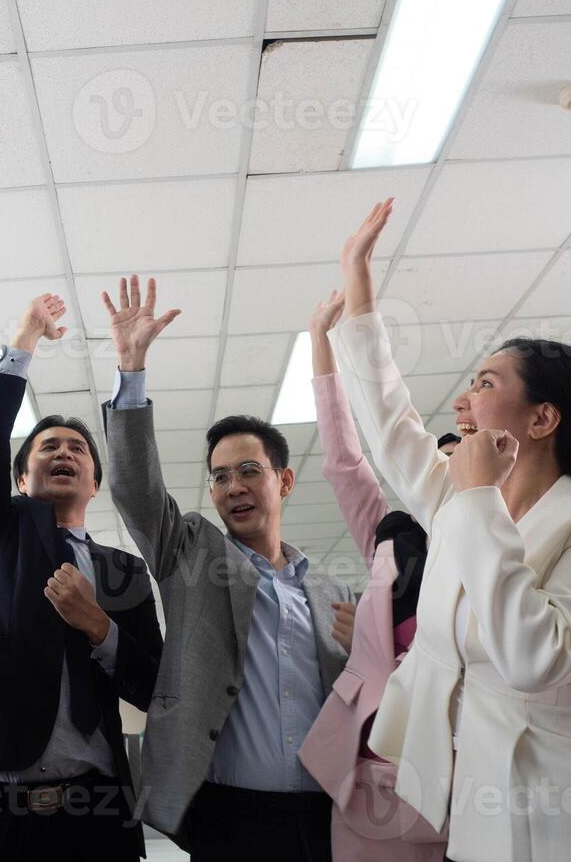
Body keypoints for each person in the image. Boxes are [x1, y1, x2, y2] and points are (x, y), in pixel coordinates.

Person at [328, 198, 571, 862]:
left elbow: (534, 657)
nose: (461, 402)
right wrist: (357, 288)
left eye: (484, 383)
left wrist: (474, 498)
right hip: (481, 836)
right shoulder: (455, 506)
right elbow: (387, 424)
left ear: (542, 418)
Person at [100, 275, 354, 862]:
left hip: (327, 818)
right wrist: (131, 368)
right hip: (229, 818)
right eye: (219, 476)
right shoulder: (191, 554)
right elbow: (138, 492)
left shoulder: (331, 588)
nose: (232, 487)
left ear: (284, 481)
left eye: (248, 471)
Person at [0, 293, 163, 862]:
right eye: (48, 447)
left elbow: (154, 687)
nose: (64, 452)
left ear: (95, 482)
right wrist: (24, 340)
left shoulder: (125, 572)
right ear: (22, 479)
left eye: (77, 448)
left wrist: (101, 629)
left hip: (94, 813)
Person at [298, 289, 447, 861]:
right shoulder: (394, 542)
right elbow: (343, 460)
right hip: (371, 777)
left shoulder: (505, 554)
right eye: (443, 457)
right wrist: (320, 344)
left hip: (463, 779)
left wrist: (369, 639)